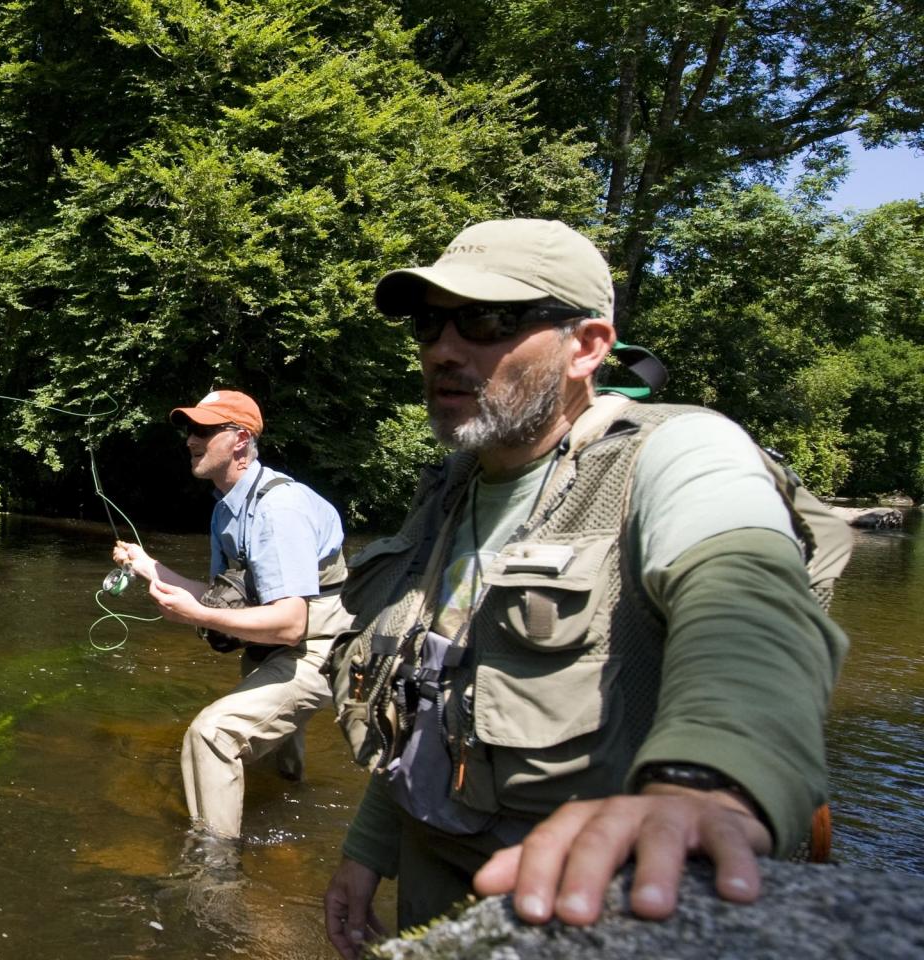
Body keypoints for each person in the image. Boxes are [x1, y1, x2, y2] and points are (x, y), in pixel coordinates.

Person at [320, 218, 851, 958]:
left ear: (589, 346)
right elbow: (432, 690)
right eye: (430, 323)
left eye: (488, 320)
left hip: (589, 906)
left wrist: (706, 782)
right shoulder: (450, 487)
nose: (444, 347)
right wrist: (368, 847)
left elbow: (748, 602)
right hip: (429, 872)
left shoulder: (682, 453)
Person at [111, 389, 349, 845]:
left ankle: (214, 870)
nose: (189, 440)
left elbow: (291, 622)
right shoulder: (227, 509)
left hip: (318, 647)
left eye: (203, 430)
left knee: (212, 736)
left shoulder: (278, 510)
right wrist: (147, 567)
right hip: (275, 644)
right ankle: (295, 819)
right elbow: (226, 600)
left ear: (240, 440)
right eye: (188, 430)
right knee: (276, 764)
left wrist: (197, 615)